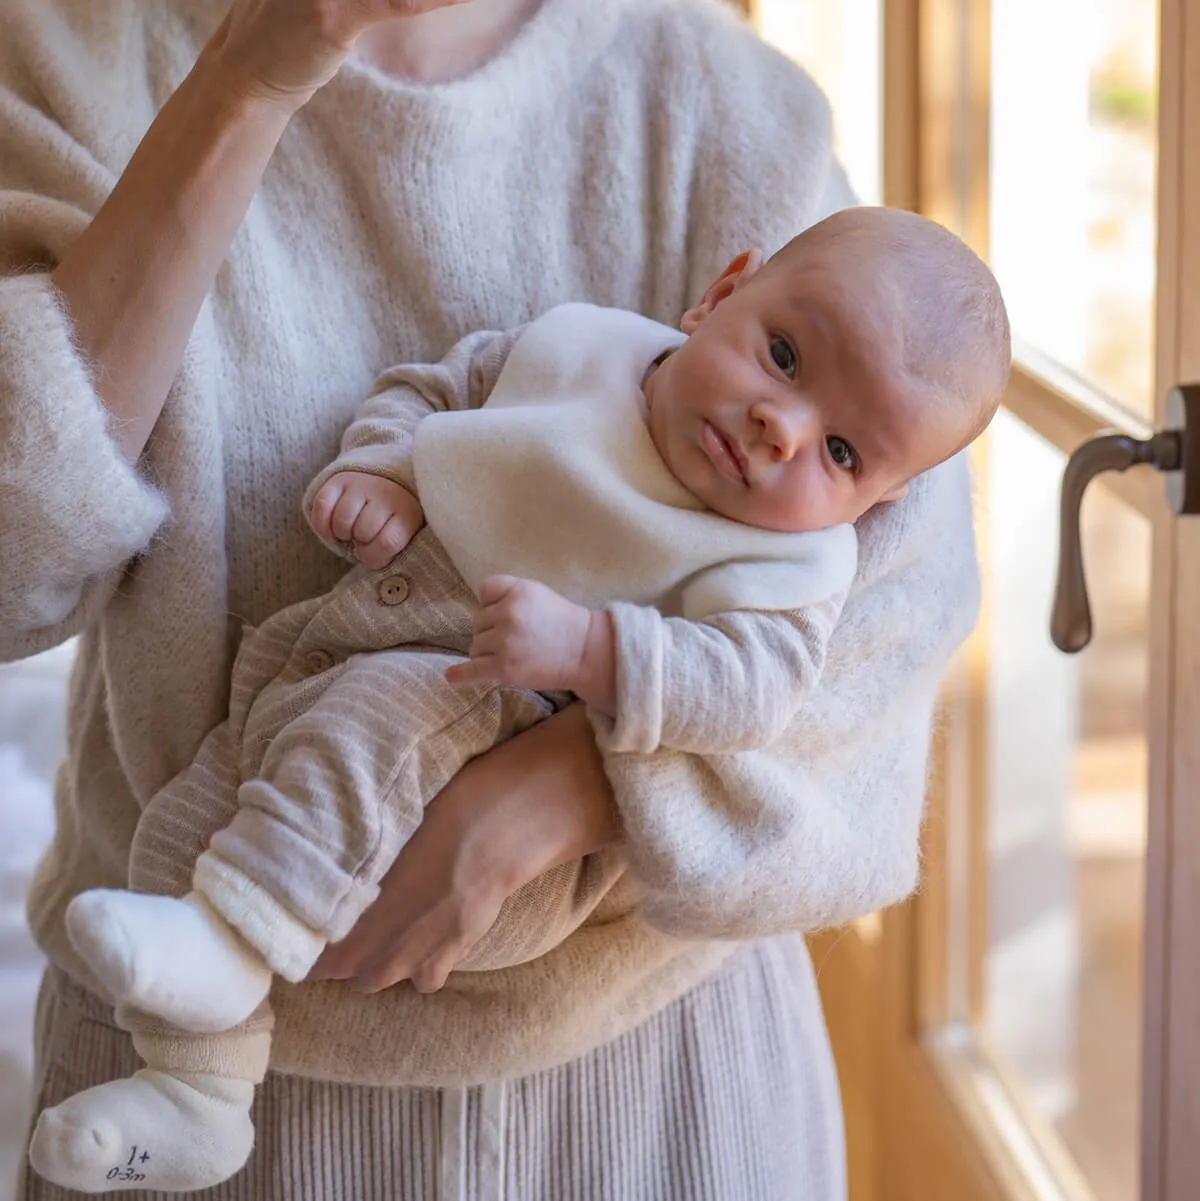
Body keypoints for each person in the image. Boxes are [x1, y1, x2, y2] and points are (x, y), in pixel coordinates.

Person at [1, 1, 983, 1198]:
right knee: (177, 870)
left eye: (835, 449)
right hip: (183, 1029)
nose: (785, 428)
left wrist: (568, 786)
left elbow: (882, 633)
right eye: (779, 365)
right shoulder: (60, 51)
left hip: (650, 1075)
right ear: (717, 301)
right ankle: (195, 1080)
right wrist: (248, 81)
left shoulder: (722, 101)